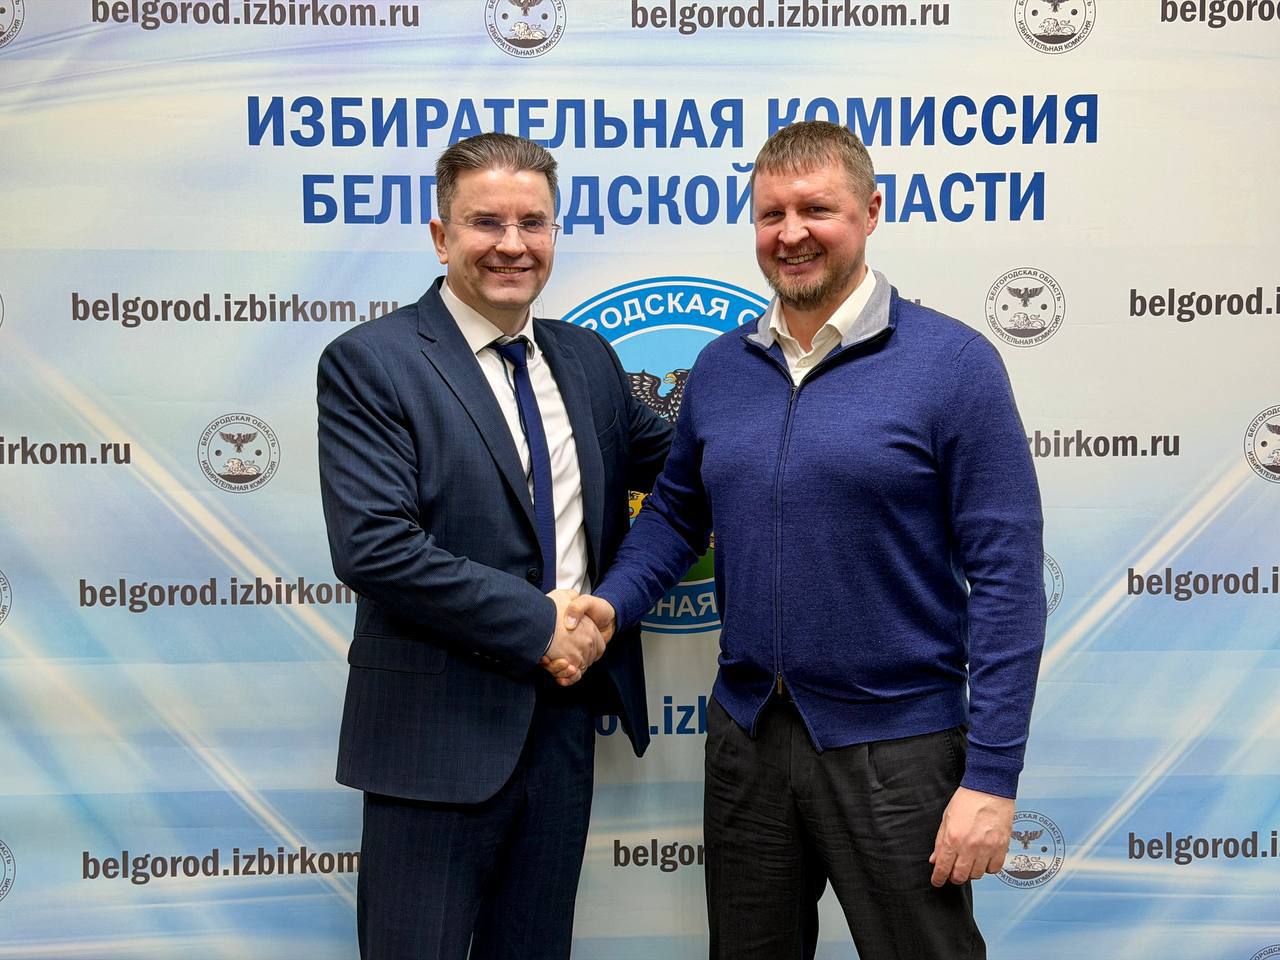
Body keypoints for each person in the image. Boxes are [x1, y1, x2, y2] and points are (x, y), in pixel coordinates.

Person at [564, 120, 1046, 958]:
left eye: (816, 209)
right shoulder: (722, 367)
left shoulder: (953, 364)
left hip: (899, 751)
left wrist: (993, 779)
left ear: (871, 211)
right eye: (771, 213)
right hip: (747, 741)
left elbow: (1007, 580)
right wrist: (610, 607)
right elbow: (676, 514)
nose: (791, 233)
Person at [316, 132, 672, 960]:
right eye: (486, 223)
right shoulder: (373, 363)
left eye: (533, 223)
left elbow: (689, 467)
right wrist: (542, 626)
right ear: (441, 237)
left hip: (562, 729)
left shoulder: (588, 359)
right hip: (432, 741)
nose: (513, 244)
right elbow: (375, 546)